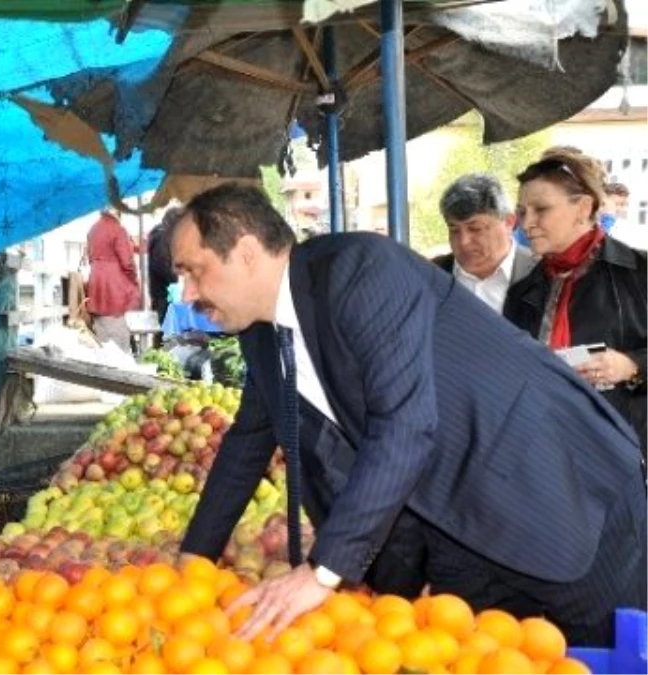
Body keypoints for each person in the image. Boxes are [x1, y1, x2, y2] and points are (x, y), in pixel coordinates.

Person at [172, 184, 647, 647]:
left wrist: (323, 571)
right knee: (479, 657)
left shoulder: (359, 270)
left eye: (195, 271)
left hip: (560, 490)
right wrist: (192, 562)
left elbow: (404, 424)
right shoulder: (261, 334)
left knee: (605, 653)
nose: (187, 294)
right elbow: (247, 444)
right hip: (461, 525)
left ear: (248, 251)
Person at [504, 153, 648, 462]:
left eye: (540, 209)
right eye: (521, 211)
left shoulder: (639, 272)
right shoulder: (522, 292)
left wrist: (631, 365)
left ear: (583, 208)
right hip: (551, 456)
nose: (526, 223)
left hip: (629, 461)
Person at [432, 173, 535, 312]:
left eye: (476, 229)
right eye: (454, 230)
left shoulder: (543, 274)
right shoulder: (431, 276)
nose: (464, 242)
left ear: (509, 222)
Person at [85, 211, 141, 352]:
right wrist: (134, 280)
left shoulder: (93, 229)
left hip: (95, 281)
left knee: (101, 332)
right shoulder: (118, 229)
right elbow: (127, 262)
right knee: (117, 334)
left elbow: (90, 256)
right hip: (114, 285)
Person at [147, 207, 183, 325]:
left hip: (164, 294)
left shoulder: (162, 235)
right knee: (166, 331)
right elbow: (163, 265)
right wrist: (178, 277)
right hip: (164, 296)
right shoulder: (162, 238)